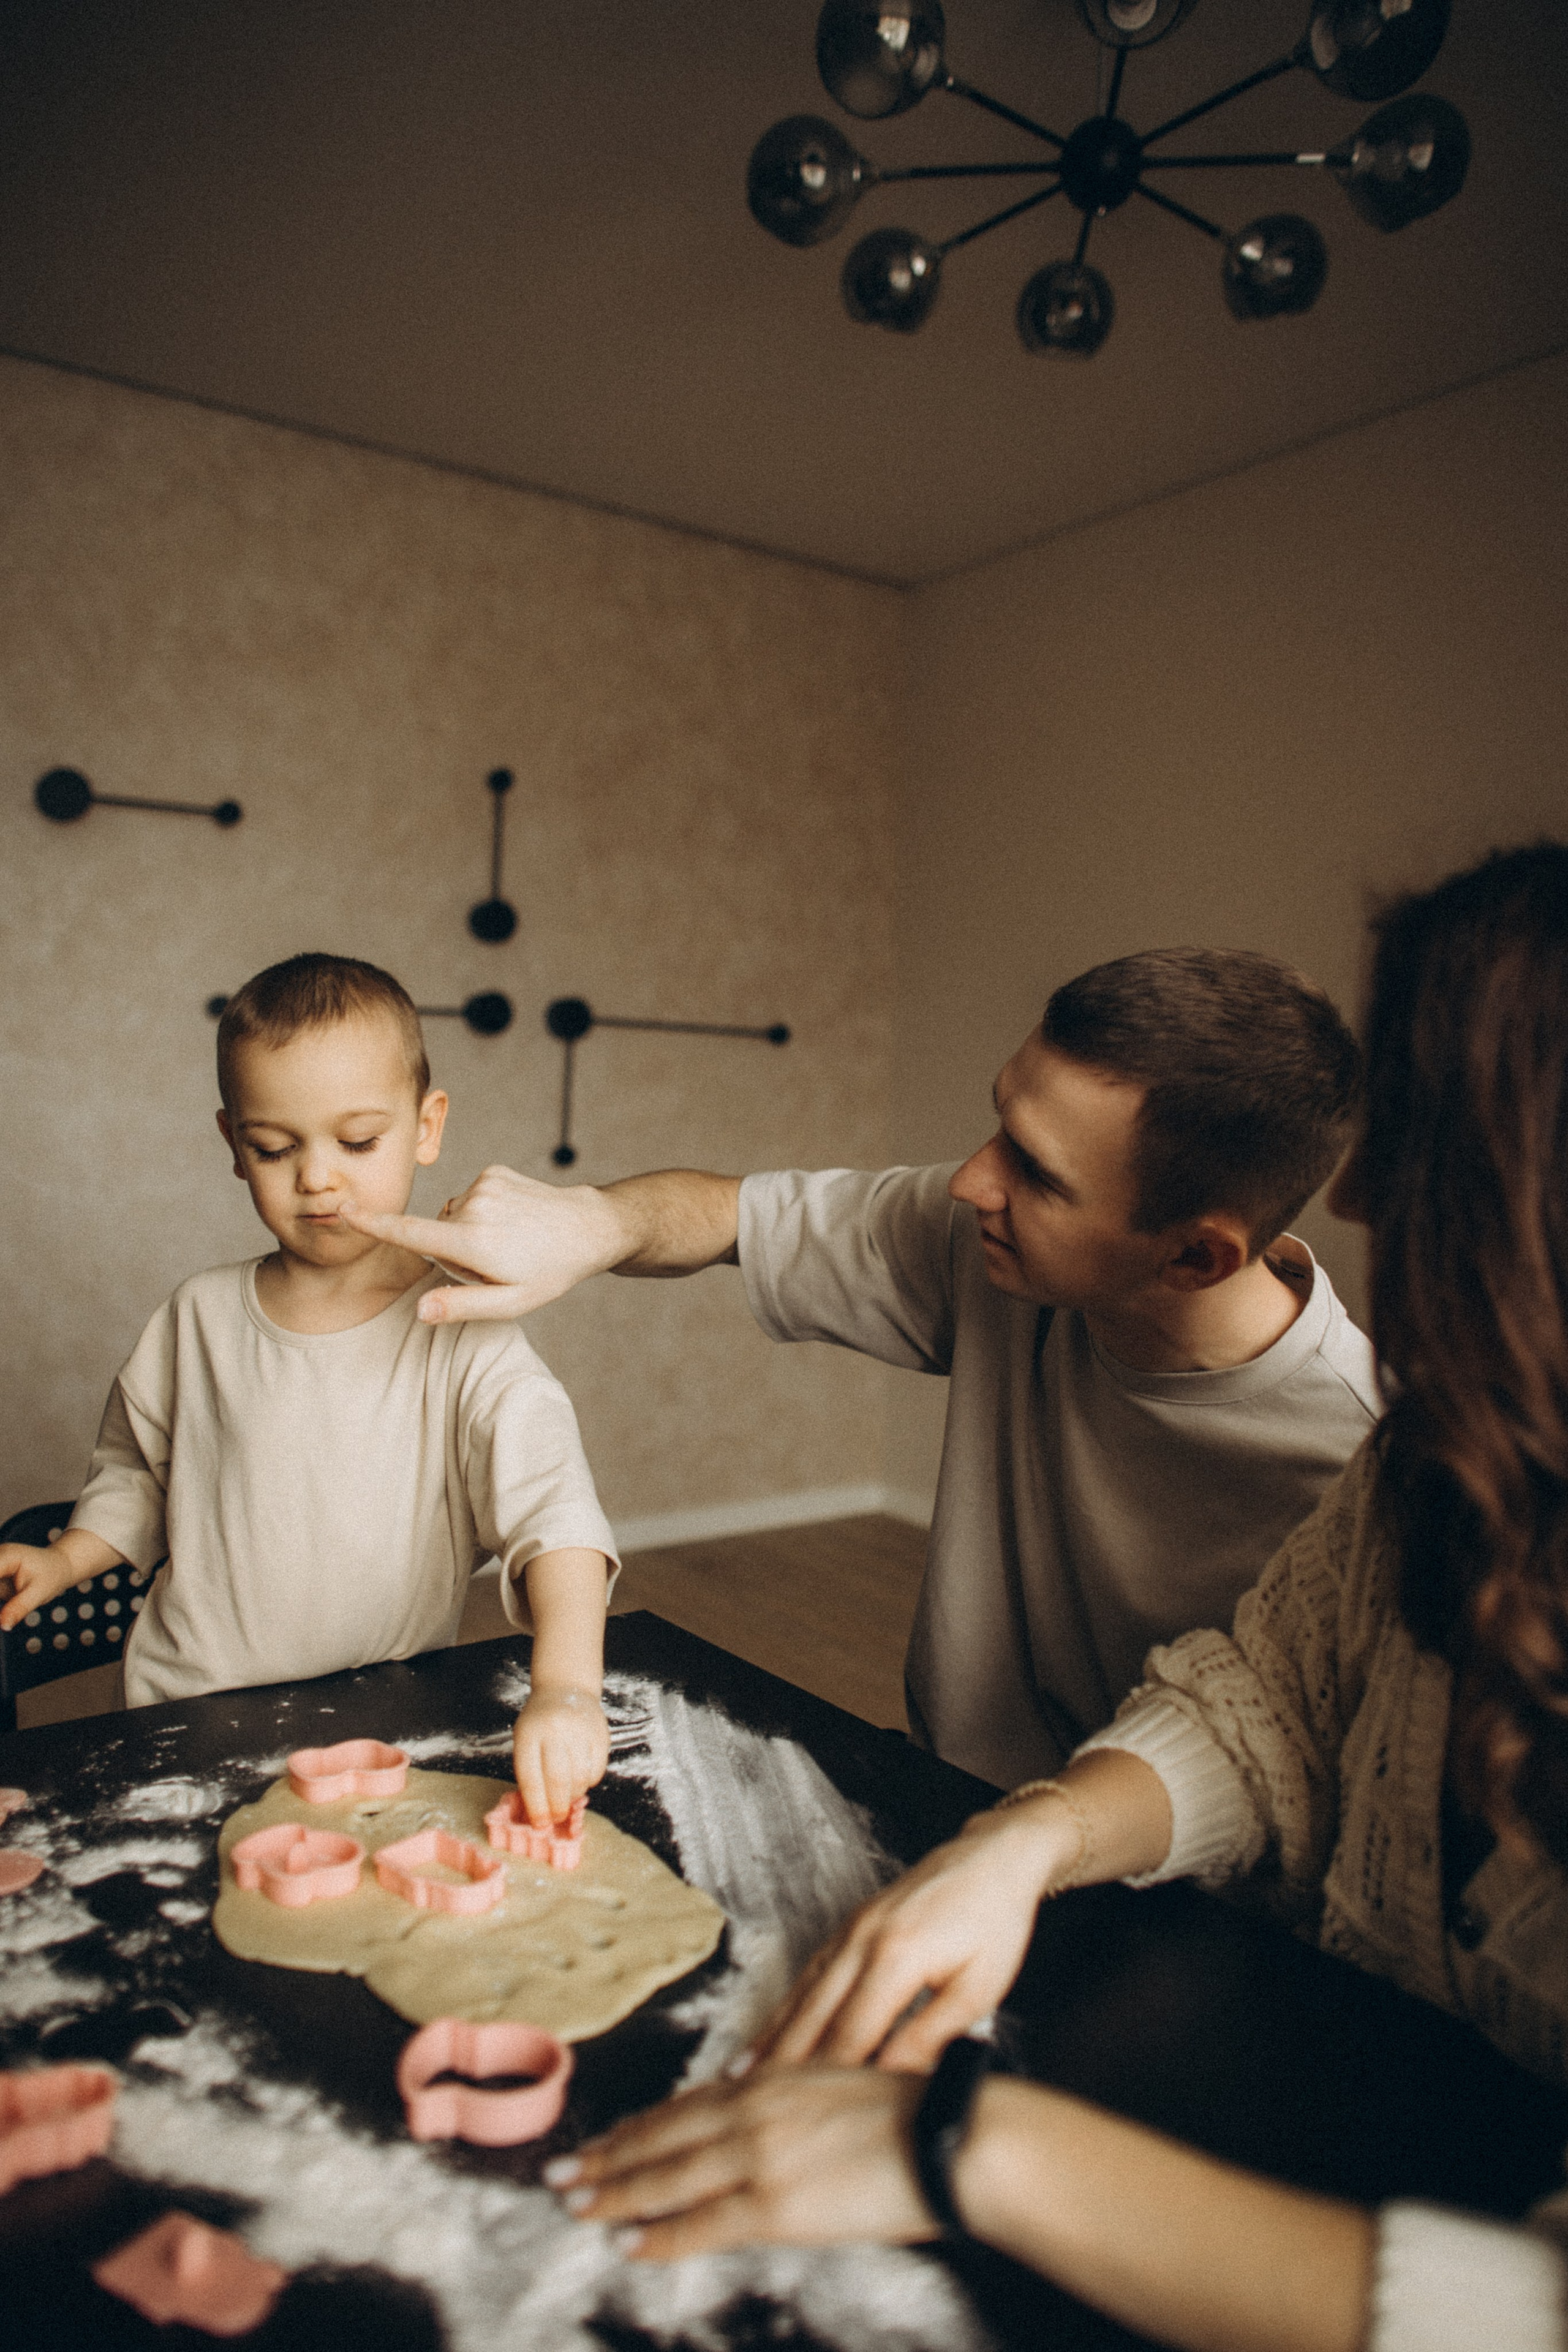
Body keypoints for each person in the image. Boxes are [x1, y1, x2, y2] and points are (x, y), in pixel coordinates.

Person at [544, 842, 1568, 2352]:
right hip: (1112, 1924)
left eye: (1409, 1155)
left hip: (1215, 1975)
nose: (1353, 1198)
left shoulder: (1337, 1431)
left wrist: (970, 2148)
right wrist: (1025, 1840)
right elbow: (1266, 1705)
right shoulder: (1428, 1461)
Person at [344, 947, 1375, 1785]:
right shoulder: (988, 1239)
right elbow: (728, 1214)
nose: (972, 1181)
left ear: (1196, 1258)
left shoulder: (1354, 1472)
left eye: (1036, 1174)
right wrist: (597, 1223)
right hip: (952, 1800)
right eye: (1000, 1124)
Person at [0, 953, 617, 1827]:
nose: (318, 1179)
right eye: (275, 1148)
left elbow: (556, 1514)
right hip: (184, 1717)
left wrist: (566, 1688)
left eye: (357, 1143)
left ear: (427, 1127)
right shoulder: (198, 1317)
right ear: (233, 1144)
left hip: (381, 1720)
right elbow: (140, 1477)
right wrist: (67, 1559)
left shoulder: (463, 1327)